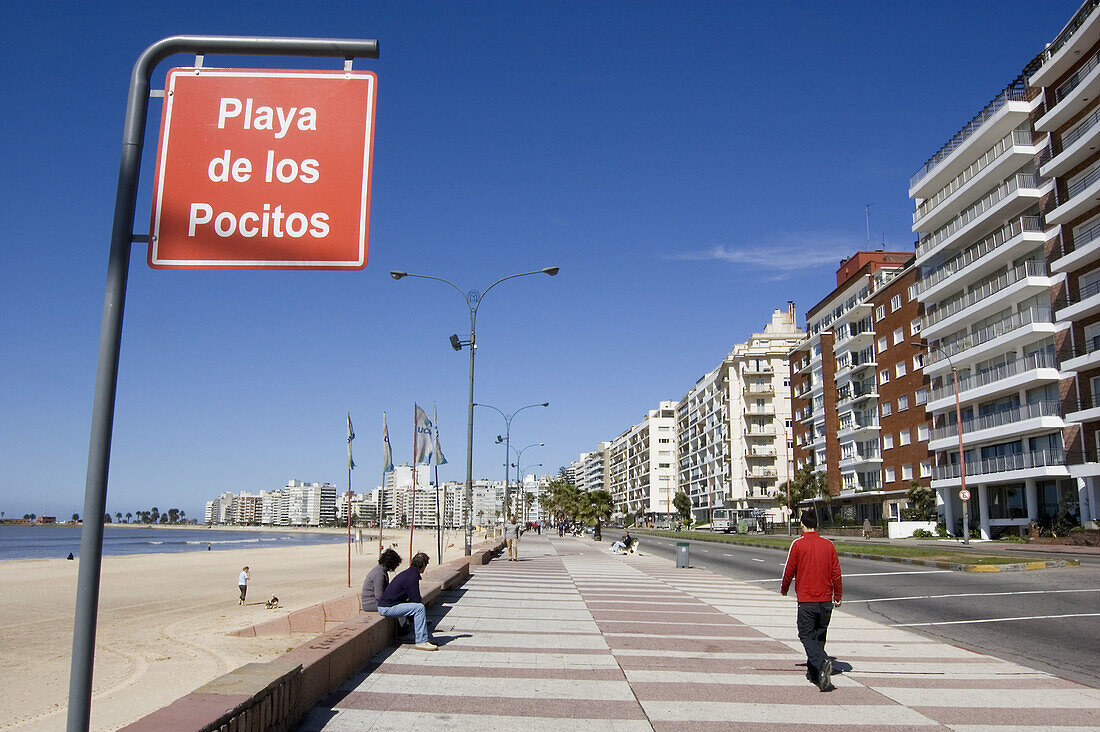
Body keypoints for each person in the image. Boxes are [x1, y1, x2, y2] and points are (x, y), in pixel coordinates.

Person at [781, 510, 842, 692]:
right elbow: (836, 573)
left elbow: (789, 570)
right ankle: (816, 675)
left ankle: (822, 663)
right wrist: (837, 595)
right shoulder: (828, 545)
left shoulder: (798, 544)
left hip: (807, 599)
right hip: (825, 600)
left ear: (802, 524)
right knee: (819, 636)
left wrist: (784, 589)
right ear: (817, 524)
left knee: (806, 634)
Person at [377, 552, 437, 651]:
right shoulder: (412, 576)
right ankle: (421, 641)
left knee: (417, 608)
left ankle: (423, 637)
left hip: (388, 605)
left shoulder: (409, 573)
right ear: (423, 565)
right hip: (387, 608)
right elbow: (416, 600)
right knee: (419, 608)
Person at [361, 548, 401, 612]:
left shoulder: (381, 570)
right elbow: (379, 596)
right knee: (399, 607)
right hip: (371, 604)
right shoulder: (379, 574)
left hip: (374, 602)